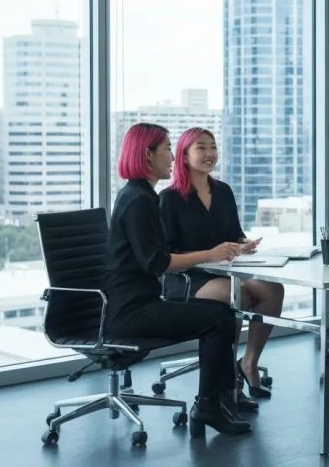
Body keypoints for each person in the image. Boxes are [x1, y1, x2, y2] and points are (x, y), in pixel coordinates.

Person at [104, 123, 251, 436]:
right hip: (130, 311)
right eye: (167, 149)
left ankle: (215, 402)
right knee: (219, 318)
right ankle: (210, 406)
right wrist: (208, 255)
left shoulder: (140, 195)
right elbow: (157, 262)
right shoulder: (141, 201)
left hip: (136, 302)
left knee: (221, 315)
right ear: (147, 155)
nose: (172, 156)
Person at [159, 127, 285, 399]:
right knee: (236, 297)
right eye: (201, 148)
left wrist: (243, 245)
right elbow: (166, 256)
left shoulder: (223, 191)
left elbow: (233, 234)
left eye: (213, 147)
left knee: (273, 291)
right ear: (183, 156)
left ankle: (248, 363)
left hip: (226, 272)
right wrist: (212, 253)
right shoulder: (168, 199)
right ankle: (227, 382)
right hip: (188, 278)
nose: (210, 154)